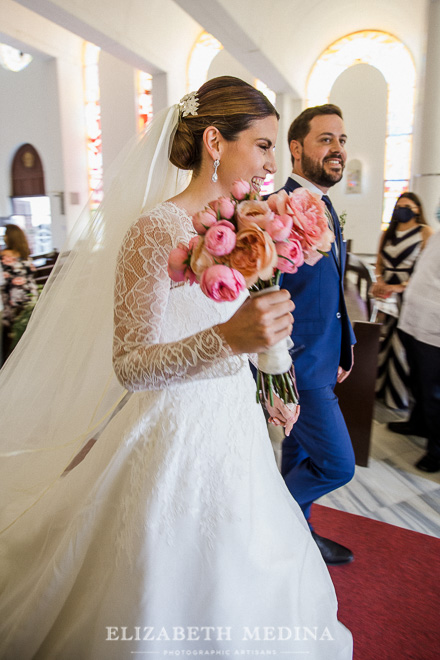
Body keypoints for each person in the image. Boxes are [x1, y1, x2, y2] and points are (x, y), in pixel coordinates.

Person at [0, 77, 352, 658]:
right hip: (171, 434)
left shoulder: (250, 224)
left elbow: (251, 324)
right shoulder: (152, 233)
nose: (274, 163)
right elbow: (131, 364)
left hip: (233, 425)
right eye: (263, 146)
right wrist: (228, 339)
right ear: (216, 141)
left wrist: (274, 375)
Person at [272, 104, 356, 566]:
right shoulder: (275, 211)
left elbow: (330, 291)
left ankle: (297, 535)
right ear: (296, 147)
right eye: (326, 139)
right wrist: (280, 372)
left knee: (297, 456)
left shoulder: (324, 207)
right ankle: (272, 517)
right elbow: (267, 294)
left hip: (323, 361)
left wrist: (343, 351)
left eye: (342, 140)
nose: (338, 149)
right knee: (338, 464)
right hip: (298, 368)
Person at [371, 193, 433, 411]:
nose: (401, 210)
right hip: (386, 295)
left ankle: (397, 397)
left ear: (417, 209)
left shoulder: (425, 233)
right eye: (398, 206)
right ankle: (379, 389)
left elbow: (424, 272)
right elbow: (378, 263)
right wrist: (380, 282)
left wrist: (399, 287)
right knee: (383, 342)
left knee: (400, 346)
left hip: (408, 293)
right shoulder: (388, 232)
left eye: (406, 206)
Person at [393, 229, 440, 472]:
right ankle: (418, 423)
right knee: (418, 381)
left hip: (434, 328)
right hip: (414, 320)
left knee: (434, 392)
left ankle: (437, 450)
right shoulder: (437, 235)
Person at [0, 224, 39, 363]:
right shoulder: (26, 257)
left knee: (8, 339)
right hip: (30, 300)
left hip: (13, 303)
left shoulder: (4, 257)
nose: (4, 237)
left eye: (5, 234)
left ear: (10, 237)